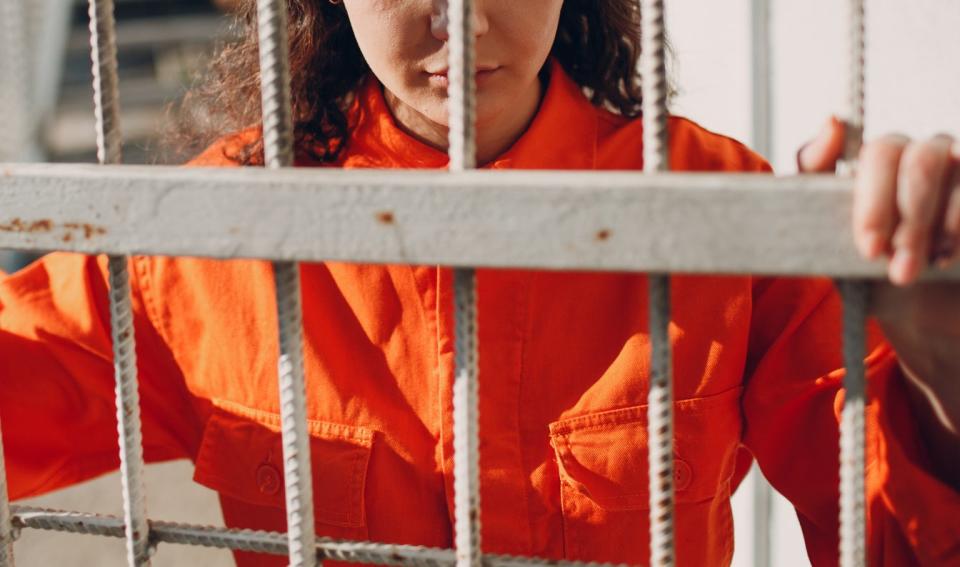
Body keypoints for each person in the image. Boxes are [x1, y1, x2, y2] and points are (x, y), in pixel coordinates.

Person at [3, 1, 959, 565]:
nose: (459, 14)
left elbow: (904, 530)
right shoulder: (214, 233)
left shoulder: (718, 210)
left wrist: (946, 367)